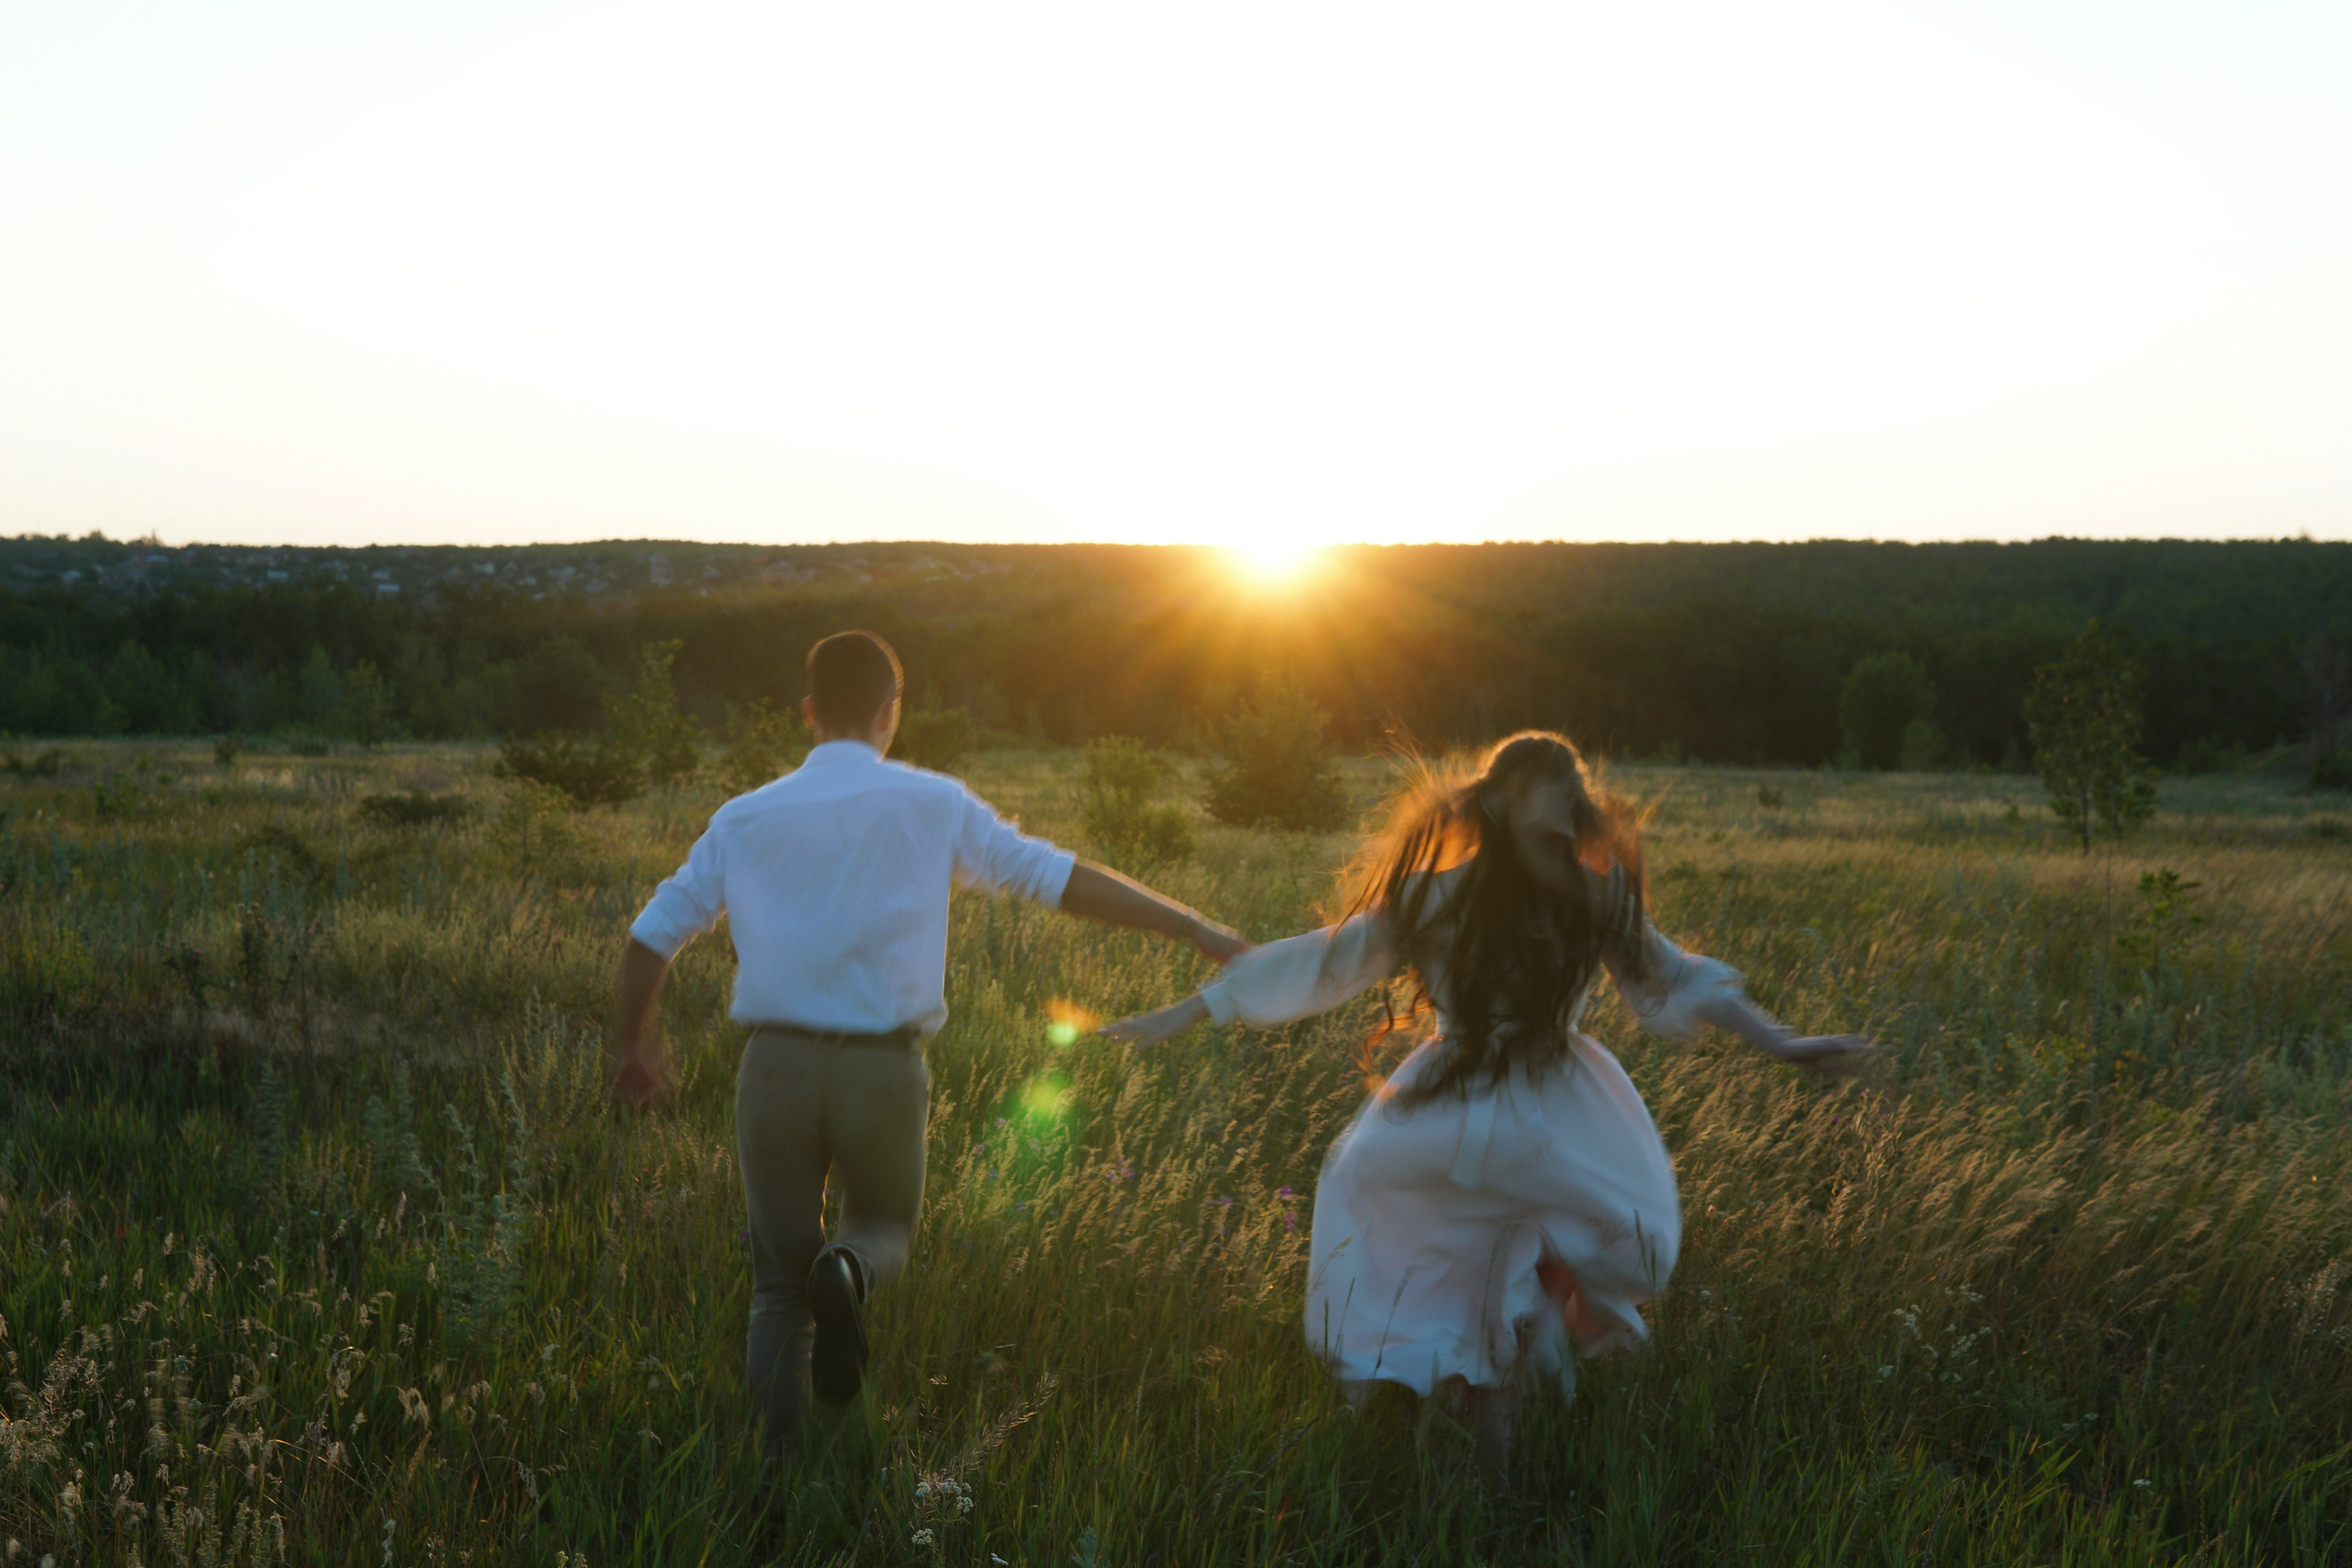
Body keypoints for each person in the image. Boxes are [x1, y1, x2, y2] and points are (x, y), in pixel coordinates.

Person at [1101, 732, 1870, 1472]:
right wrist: (1190, 1009)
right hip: (1475, 1105)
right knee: (1455, 1266)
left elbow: (1677, 974)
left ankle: (1497, 1459)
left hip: (1545, 1111)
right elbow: (1327, 958)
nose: (1564, 800)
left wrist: (1782, 1042)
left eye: (1570, 788)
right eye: (1545, 788)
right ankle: (1486, 1480)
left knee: (1545, 1272)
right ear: (1499, 803)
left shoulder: (1590, 890)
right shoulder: (1441, 894)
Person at [611, 630, 1249, 1457]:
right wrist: (1191, 925)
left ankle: (777, 1479)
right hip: (882, 1066)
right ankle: (853, 1269)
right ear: (891, 713)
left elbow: (649, 939)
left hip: (774, 1066)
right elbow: (1054, 878)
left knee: (777, 1289)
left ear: (809, 714)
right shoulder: (934, 803)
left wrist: (632, 1046)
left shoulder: (743, 818)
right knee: (882, 1226)